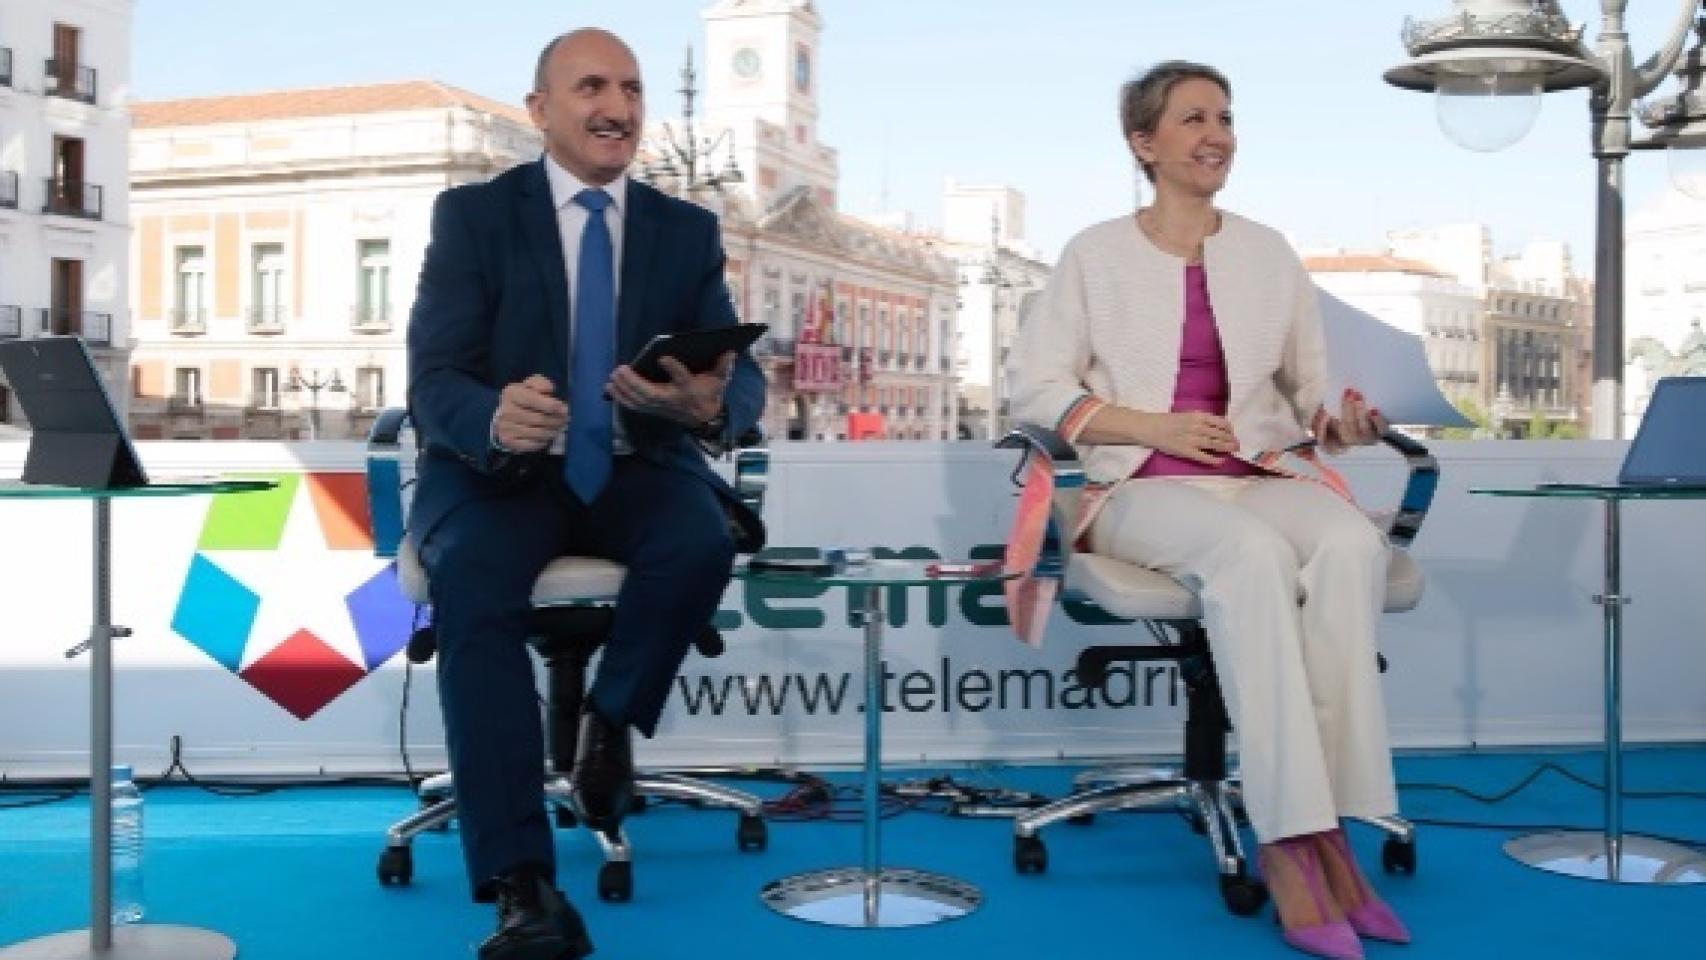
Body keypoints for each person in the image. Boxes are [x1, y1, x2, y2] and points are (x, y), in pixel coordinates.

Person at [1010, 61, 1409, 960]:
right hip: (1135, 485)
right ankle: (1288, 845)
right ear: (1144, 144)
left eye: (1225, 116)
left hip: (1257, 472)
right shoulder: (1094, 254)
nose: (1216, 133)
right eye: (1192, 118)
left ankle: (1337, 829)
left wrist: (1343, 423)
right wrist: (1155, 424)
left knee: (1350, 543)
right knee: (1250, 556)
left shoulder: (1268, 252)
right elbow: (1031, 390)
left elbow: (1310, 398)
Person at [407, 27, 765, 960]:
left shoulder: (684, 231)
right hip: (501, 477)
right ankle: (523, 886)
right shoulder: (473, 218)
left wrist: (706, 404)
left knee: (698, 539)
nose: (618, 107)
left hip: (637, 464)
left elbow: (736, 371)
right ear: (540, 110)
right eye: (593, 86)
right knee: (473, 589)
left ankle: (607, 724)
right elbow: (433, 377)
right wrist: (493, 414)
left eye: (633, 89)